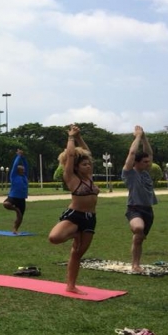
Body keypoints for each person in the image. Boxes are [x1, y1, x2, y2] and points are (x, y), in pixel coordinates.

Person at [48, 125, 97, 295]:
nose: (89, 166)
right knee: (54, 237)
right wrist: (71, 137)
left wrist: (79, 137)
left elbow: (87, 152)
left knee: (77, 254)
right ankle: (74, 233)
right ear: (76, 167)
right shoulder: (72, 178)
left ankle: (71, 285)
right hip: (75, 216)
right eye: (84, 164)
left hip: (90, 219)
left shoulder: (89, 178)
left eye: (89, 164)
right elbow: (70, 156)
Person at [122, 125, 157, 273]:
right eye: (145, 162)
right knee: (138, 228)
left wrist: (144, 137)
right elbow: (131, 153)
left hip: (148, 210)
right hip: (134, 208)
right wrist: (137, 137)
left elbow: (148, 152)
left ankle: (136, 264)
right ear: (136, 163)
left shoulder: (146, 173)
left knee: (139, 239)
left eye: (148, 162)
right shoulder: (130, 173)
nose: (148, 164)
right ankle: (135, 265)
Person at [3, 149, 29, 234]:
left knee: (20, 217)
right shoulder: (13, 175)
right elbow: (15, 166)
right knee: (6, 204)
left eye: (24, 170)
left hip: (22, 199)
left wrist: (23, 157)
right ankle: (16, 209)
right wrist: (18, 156)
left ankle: (15, 229)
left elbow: (26, 166)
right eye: (22, 170)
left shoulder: (24, 176)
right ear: (18, 171)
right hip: (13, 197)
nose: (24, 170)